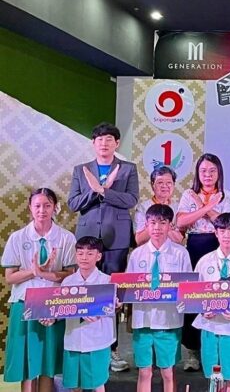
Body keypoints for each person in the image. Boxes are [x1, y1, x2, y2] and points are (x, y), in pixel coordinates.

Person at [68, 122, 139, 372]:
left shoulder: (128, 169)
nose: (104, 143)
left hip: (117, 239)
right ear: (93, 143)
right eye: (99, 139)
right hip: (88, 238)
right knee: (86, 290)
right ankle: (85, 344)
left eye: (109, 139)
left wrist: (105, 192)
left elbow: (131, 199)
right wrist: (95, 191)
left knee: (112, 293)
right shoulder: (81, 170)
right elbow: (73, 203)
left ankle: (112, 349)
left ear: (117, 143)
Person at [2, 188, 77, 392]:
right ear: (30, 208)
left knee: (47, 364)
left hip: (53, 305)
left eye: (47, 205)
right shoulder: (17, 238)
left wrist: (45, 274)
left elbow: (70, 275)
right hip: (24, 303)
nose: (42, 210)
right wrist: (33, 272)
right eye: (37, 206)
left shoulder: (66, 238)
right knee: (27, 364)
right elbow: (10, 277)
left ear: (55, 208)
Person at [176, 153, 230, 370]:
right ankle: (192, 351)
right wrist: (206, 206)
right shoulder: (189, 194)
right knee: (195, 297)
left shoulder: (225, 196)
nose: (207, 175)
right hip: (195, 246)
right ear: (197, 174)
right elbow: (181, 221)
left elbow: (224, 223)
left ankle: (216, 348)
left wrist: (202, 207)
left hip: (218, 245)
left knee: (218, 295)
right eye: (203, 171)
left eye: (212, 171)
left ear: (219, 173)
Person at [126, 204, 192, 392]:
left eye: (162, 223)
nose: (157, 228)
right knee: (144, 371)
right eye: (153, 223)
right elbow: (127, 287)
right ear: (146, 225)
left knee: (168, 372)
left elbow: (188, 287)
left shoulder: (181, 253)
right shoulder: (137, 254)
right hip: (142, 321)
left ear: (170, 225)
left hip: (169, 321)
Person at [193, 213, 230, 392]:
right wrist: (203, 311)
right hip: (210, 327)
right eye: (222, 231)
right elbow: (194, 295)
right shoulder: (204, 262)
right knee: (213, 377)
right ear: (216, 233)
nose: (227, 235)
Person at [61, 237, 115, 392]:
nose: (84, 257)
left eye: (90, 253)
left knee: (97, 384)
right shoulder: (67, 283)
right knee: (75, 385)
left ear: (99, 256)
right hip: (72, 341)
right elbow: (60, 309)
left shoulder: (108, 281)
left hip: (98, 341)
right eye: (80, 253)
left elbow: (111, 308)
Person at [134, 166, 183, 246]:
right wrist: (164, 225)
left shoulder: (178, 208)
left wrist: (154, 225)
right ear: (152, 185)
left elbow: (179, 240)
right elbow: (139, 240)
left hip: (172, 250)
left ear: (174, 185)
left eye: (169, 183)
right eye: (160, 182)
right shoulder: (143, 207)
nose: (164, 186)